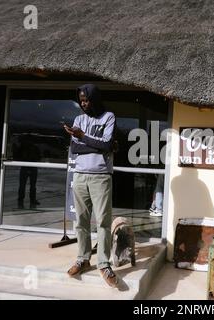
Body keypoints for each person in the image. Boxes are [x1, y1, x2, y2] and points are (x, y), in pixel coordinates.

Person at [64, 84, 118, 288]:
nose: (83, 104)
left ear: (94, 99)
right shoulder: (79, 119)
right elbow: (75, 148)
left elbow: (107, 144)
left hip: (101, 176)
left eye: (86, 100)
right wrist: (94, 144)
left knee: (103, 222)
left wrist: (83, 137)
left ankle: (103, 264)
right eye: (81, 101)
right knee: (81, 221)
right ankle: (83, 259)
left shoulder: (108, 117)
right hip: (79, 176)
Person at [14, 134, 41, 209]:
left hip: (26, 167)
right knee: (31, 185)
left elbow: (17, 156)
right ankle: (31, 200)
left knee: (23, 185)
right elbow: (39, 157)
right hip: (30, 167)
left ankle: (21, 200)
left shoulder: (23, 147)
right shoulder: (33, 147)